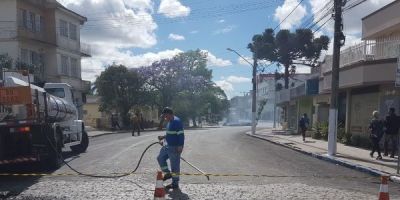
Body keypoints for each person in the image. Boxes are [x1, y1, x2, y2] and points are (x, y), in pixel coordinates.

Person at [157, 107, 184, 191]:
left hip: (174, 147)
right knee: (160, 158)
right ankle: (168, 174)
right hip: (167, 145)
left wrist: (180, 146)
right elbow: (170, 133)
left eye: (165, 115)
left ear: (169, 114)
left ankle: (175, 184)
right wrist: (163, 137)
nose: (164, 117)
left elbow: (181, 135)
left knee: (174, 166)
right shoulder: (169, 122)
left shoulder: (177, 122)